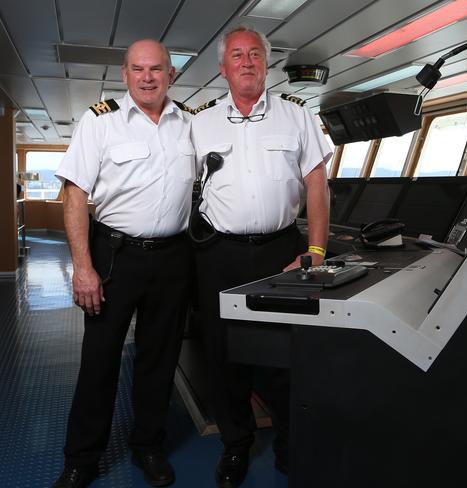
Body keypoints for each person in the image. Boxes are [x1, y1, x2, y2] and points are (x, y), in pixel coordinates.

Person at [190, 25, 331, 488]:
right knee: (223, 355)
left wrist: (315, 249)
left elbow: (316, 184)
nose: (247, 61)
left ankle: (292, 443)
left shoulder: (298, 116)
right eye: (237, 54)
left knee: (283, 355)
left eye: (255, 54)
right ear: (223, 67)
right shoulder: (200, 122)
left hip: (280, 252)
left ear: (265, 64)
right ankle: (236, 445)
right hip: (218, 253)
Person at [52, 39, 195, 488]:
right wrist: (83, 267)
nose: (147, 77)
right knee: (99, 360)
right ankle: (82, 459)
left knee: (159, 358)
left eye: (156, 69)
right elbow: (75, 196)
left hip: (174, 257)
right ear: (124, 73)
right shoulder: (100, 122)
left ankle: (148, 447)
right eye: (138, 69)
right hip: (114, 255)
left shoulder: (190, 124)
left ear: (171, 74)